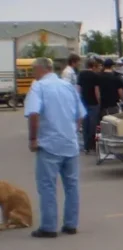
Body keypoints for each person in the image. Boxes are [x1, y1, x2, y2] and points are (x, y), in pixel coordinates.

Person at [23, 57, 87, 238]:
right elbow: (80, 114)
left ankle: (49, 226)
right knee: (72, 185)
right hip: (70, 143)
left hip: (49, 143)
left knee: (47, 186)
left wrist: (33, 139)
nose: (33, 74)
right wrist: (72, 130)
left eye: (33, 70)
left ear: (39, 69)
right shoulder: (67, 86)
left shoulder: (38, 87)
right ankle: (71, 224)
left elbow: (34, 113)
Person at [76, 58, 101, 152]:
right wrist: (99, 101)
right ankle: (92, 145)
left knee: (85, 125)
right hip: (93, 103)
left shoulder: (81, 75)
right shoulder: (95, 75)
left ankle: (86, 146)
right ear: (93, 66)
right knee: (93, 125)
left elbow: (78, 88)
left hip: (83, 102)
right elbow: (96, 91)